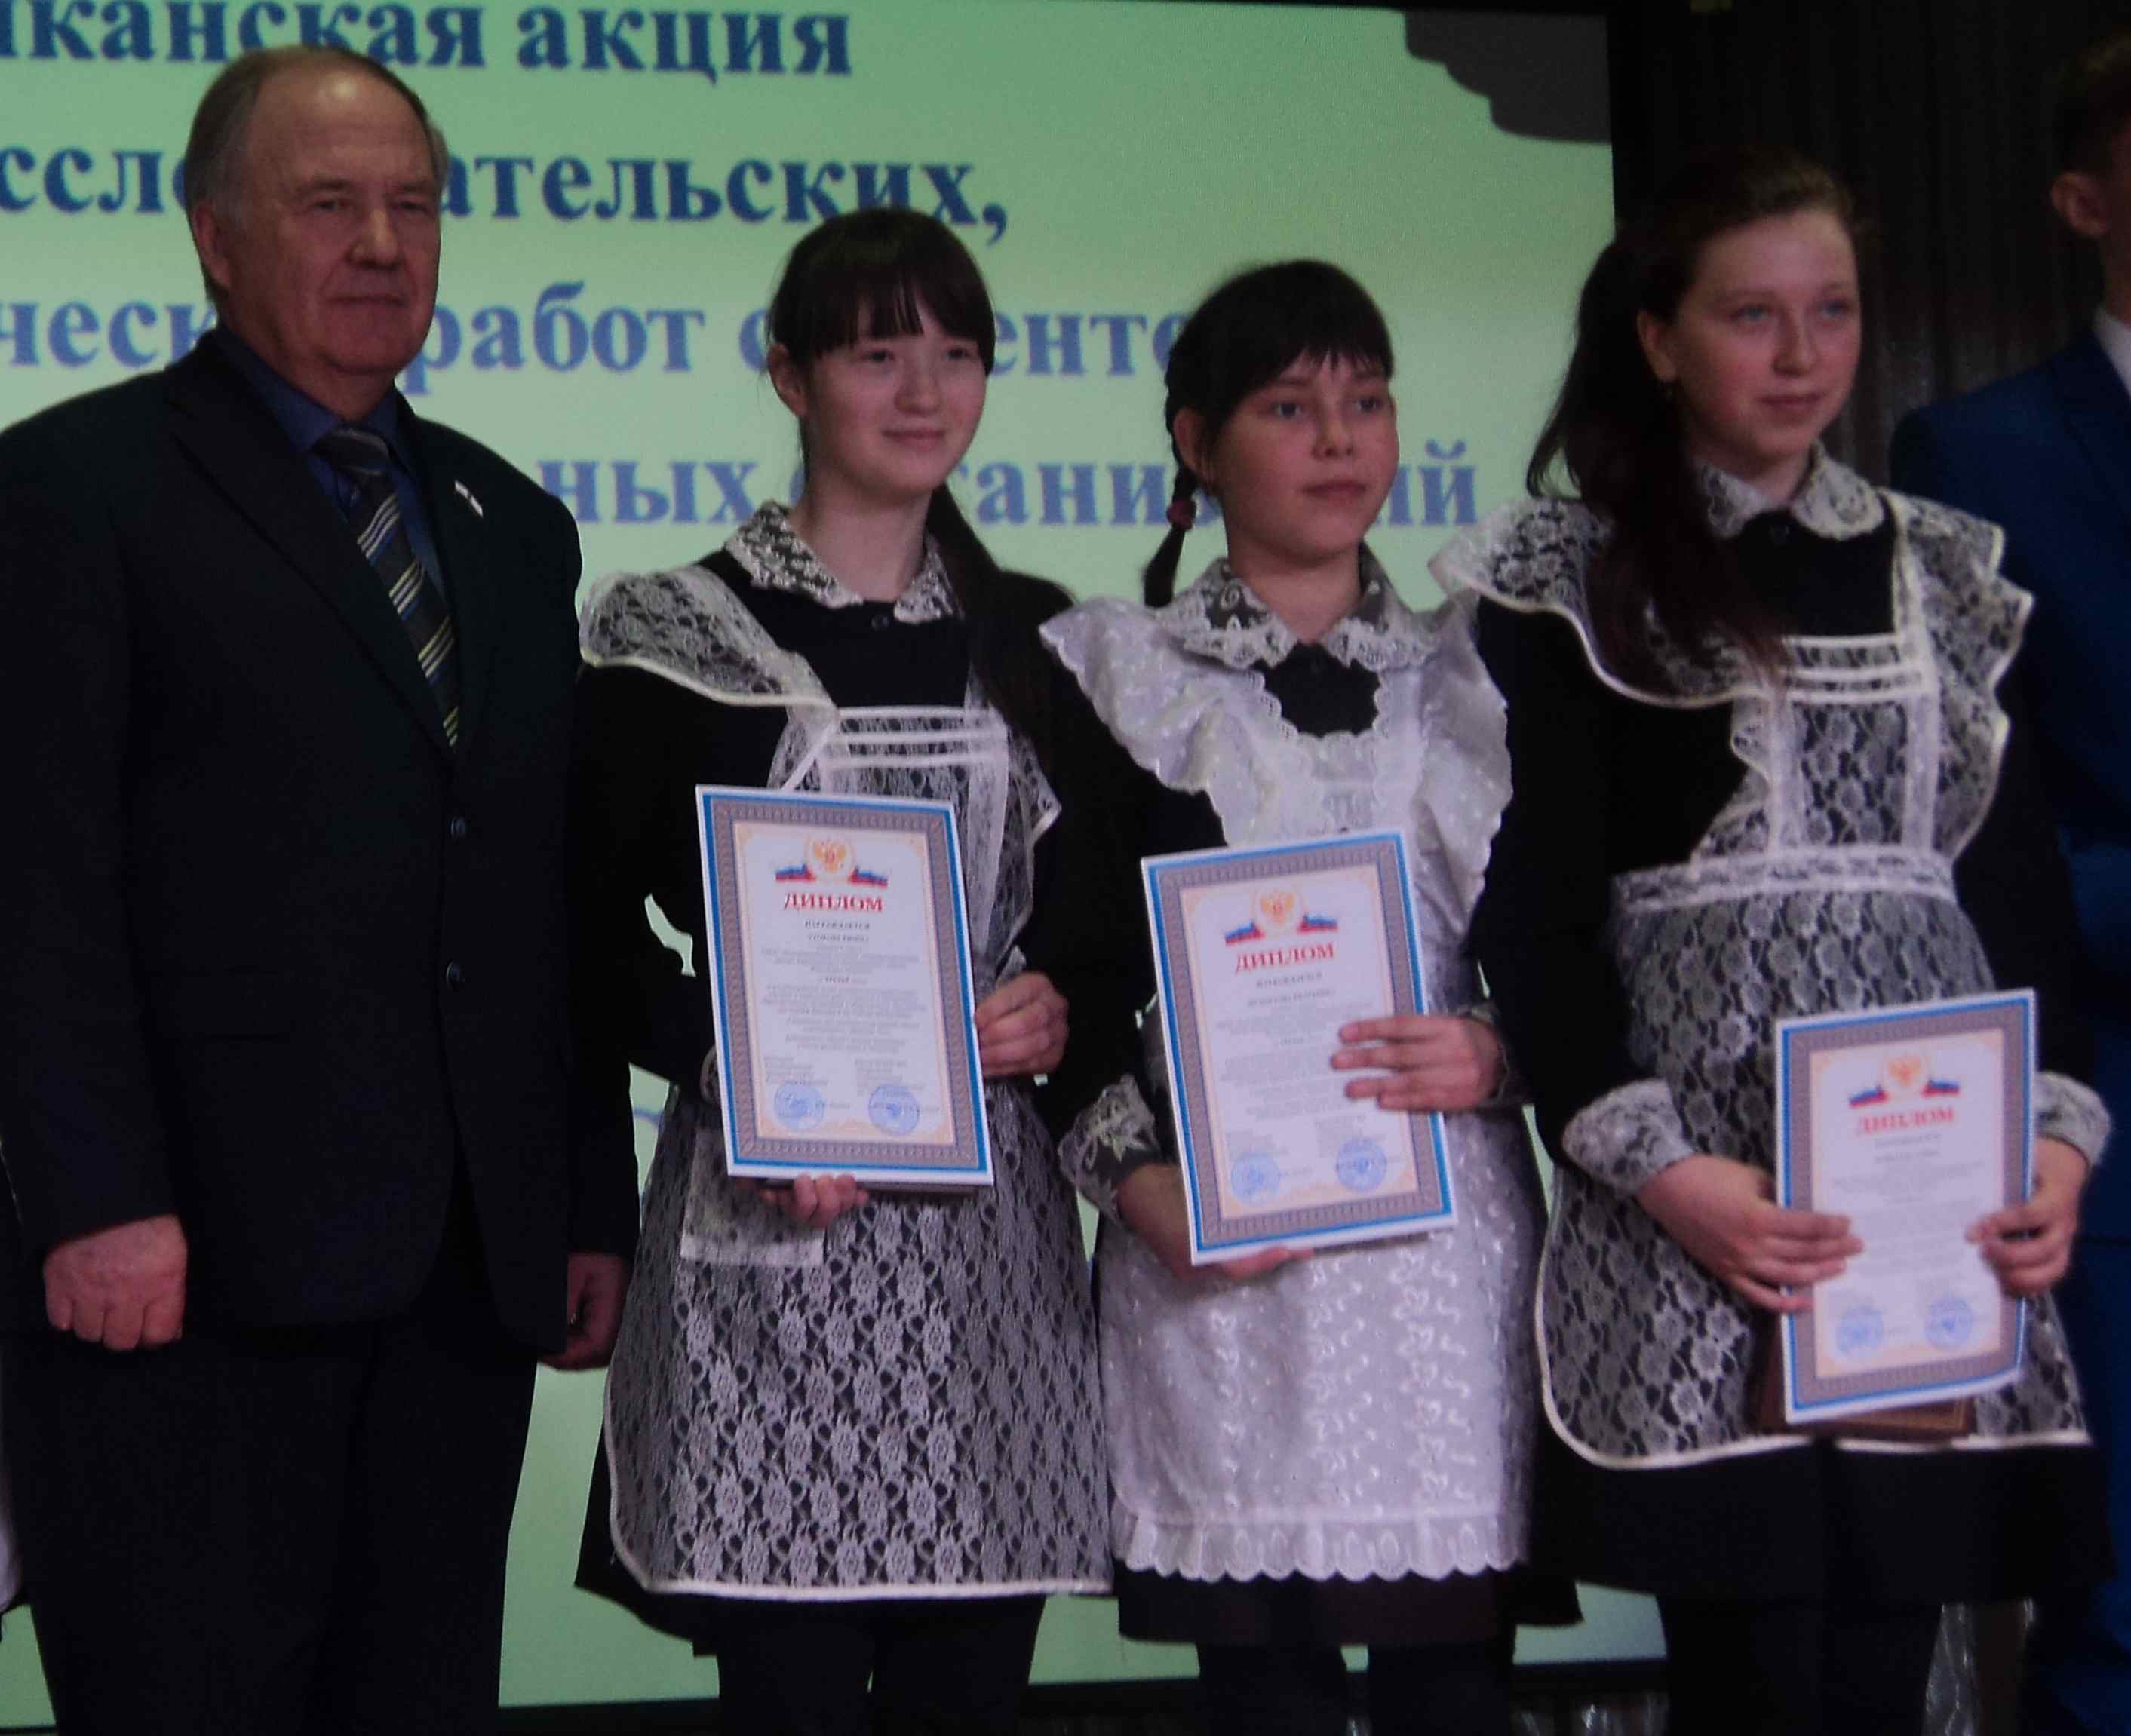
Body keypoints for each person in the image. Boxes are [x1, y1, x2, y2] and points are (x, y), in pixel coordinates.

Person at [1432, 145, 2111, 1736]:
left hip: (1918, 1193)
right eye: (1752, 315)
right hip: (1698, 1199)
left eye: (1834, 311)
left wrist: (2053, 1142)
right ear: (1658, 337)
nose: (1802, 355)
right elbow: (1535, 918)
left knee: (1884, 1661)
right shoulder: (1569, 577)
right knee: (1752, 1676)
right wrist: (1666, 1170)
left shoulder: (1943, 570)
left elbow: (2016, 901)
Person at [0, 44, 637, 1736]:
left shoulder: (513, 524)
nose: (381, 244)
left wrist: (588, 1195)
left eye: (414, 206)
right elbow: (34, 882)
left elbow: (540, 895)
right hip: (183, 1277)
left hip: (458, 1282)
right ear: (214, 236)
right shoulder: (70, 489)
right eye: (329, 204)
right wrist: (91, 1195)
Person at [570, 207, 1107, 1734]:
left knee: (970, 1697)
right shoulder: (674, 631)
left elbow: (1093, 924)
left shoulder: (1040, 640)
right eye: (879, 354)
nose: (925, 391)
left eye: (958, 353)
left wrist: (1055, 1002)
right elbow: (583, 927)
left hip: (987, 1263)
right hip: (771, 1232)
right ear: (790, 375)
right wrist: (739, 1068)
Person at [1038, 261, 1558, 1736]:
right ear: (1195, 442)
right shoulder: (1110, 668)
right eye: (1287, 407)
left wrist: (1498, 1052)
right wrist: (1133, 1178)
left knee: (1454, 1696)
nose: (1339, 440)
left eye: (1367, 401)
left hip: (1446, 1260)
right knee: (1262, 1694)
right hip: (1223, 1258)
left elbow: (1572, 947)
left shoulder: (1481, 665)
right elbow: (1065, 969)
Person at [1890, 33, 2131, 1731]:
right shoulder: (1976, 452)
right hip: (2102, 1095)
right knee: (2114, 1611)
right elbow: (1959, 820)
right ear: (2081, 201)